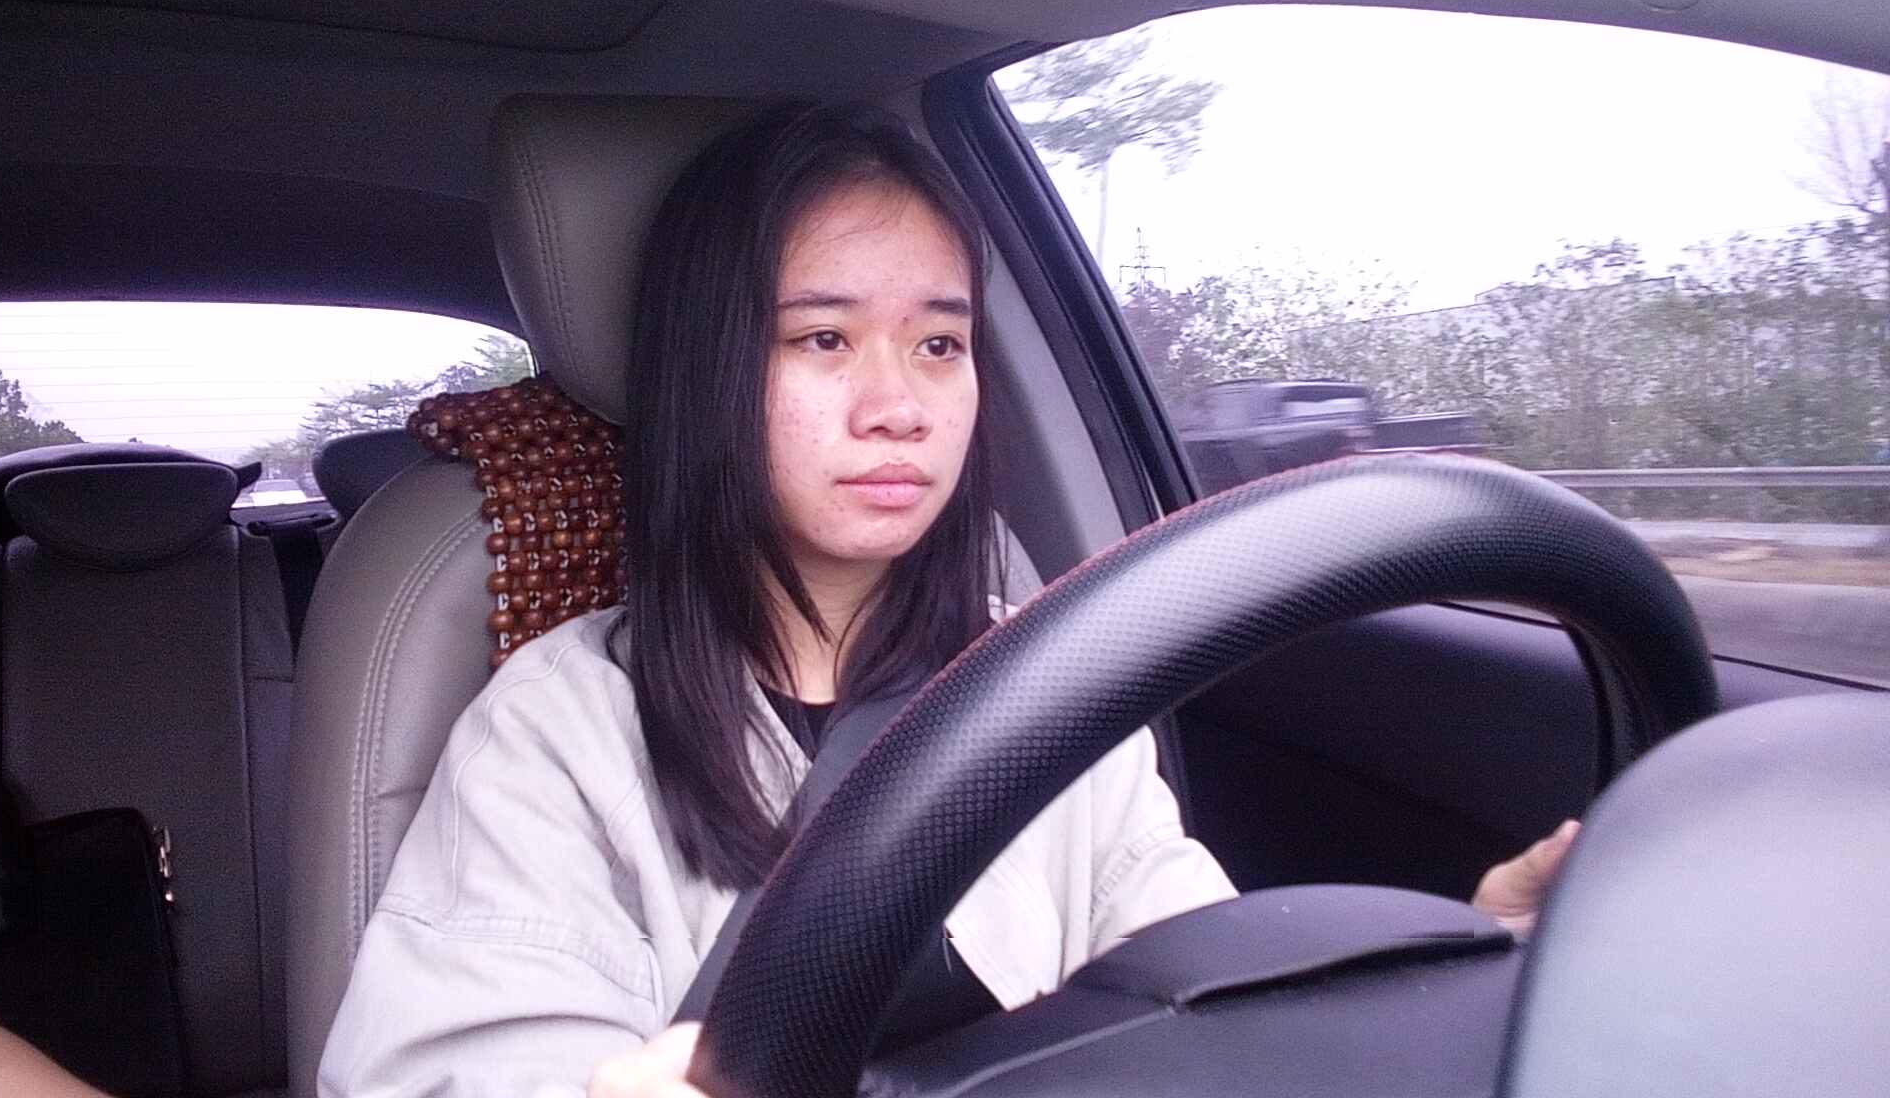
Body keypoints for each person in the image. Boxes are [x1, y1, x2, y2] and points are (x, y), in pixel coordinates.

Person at [309, 102, 1578, 1098]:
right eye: (822, 339)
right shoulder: (561, 729)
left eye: (938, 343)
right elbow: (465, 1067)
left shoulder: (1053, 685)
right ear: (709, 369)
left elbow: (1203, 1010)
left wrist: (1454, 973)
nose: (899, 406)